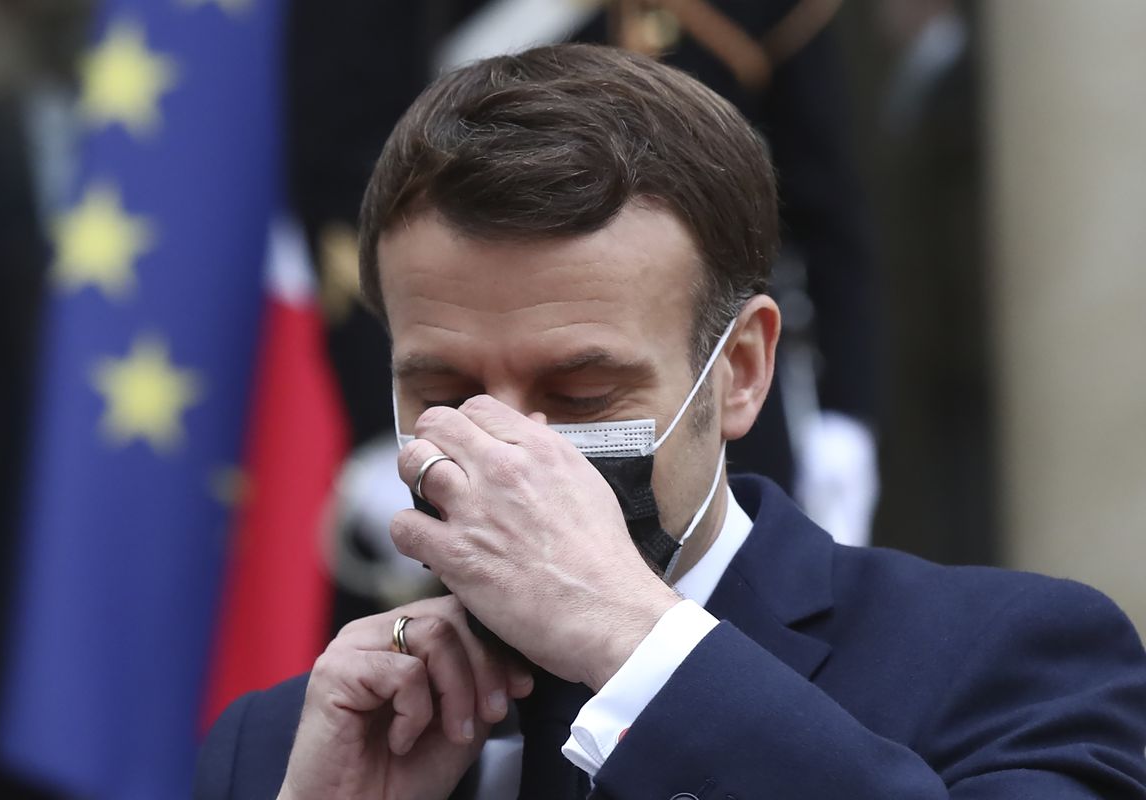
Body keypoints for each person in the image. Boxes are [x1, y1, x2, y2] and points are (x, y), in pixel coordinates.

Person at [195, 44, 1146, 799]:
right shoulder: (291, 741)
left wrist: (633, 646)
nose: (509, 452)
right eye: (444, 389)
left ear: (739, 373)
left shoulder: (1010, 662)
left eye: (580, 393)